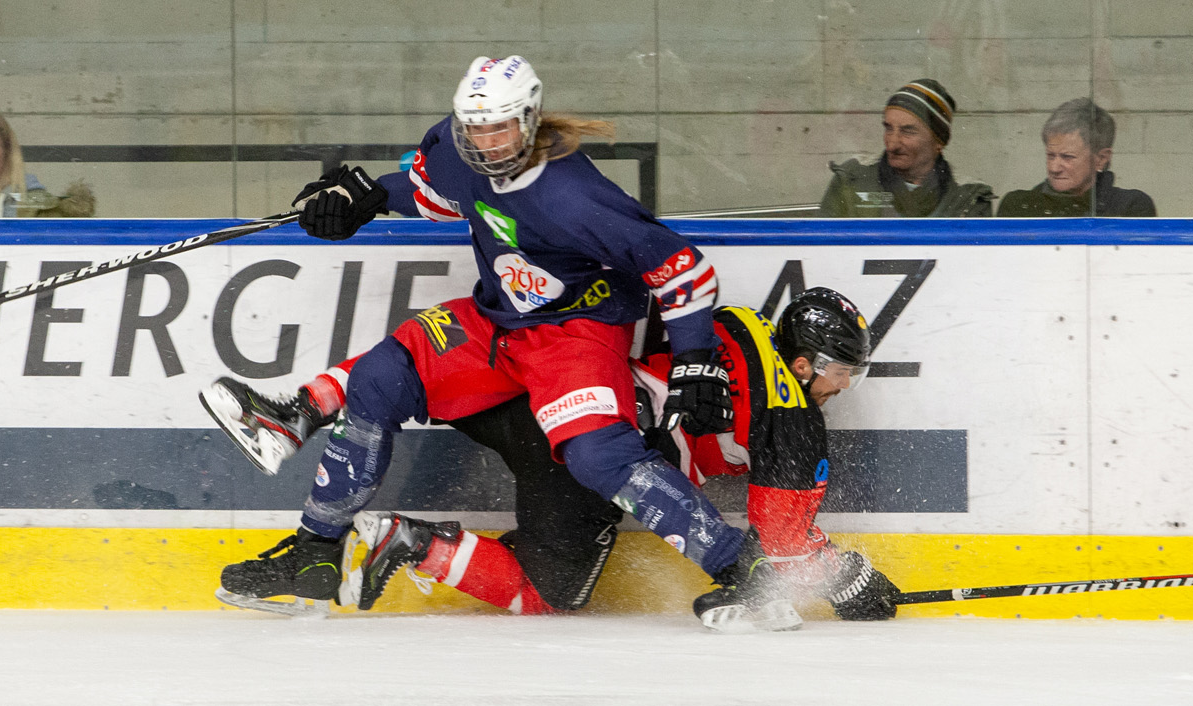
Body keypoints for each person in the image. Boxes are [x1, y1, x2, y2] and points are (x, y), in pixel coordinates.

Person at [212, 53, 806, 631]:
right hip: (498, 321)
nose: (487, 142)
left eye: (499, 128)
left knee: (600, 456)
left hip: (577, 332)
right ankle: (314, 553)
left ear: (528, 120)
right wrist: (363, 197)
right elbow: (432, 195)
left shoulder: (573, 196)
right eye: (476, 128)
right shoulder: (455, 150)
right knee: (379, 379)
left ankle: (741, 566)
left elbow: (682, 269)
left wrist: (696, 360)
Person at [206, 289, 901, 629]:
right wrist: (851, 579)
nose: (845, 387)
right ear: (807, 364)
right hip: (592, 459)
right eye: (844, 372)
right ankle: (410, 543)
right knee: (549, 593)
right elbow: (781, 545)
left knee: (413, 363)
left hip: (542, 391)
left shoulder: (738, 320)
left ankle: (305, 409)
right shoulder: (795, 422)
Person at [818, 79, 994, 218]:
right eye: (888, 128)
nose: (892, 144)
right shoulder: (852, 179)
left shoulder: (969, 197)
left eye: (908, 131)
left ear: (938, 142)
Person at [997, 98, 1156, 217]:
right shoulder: (1018, 206)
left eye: (1067, 157)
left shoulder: (1130, 207)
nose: (1054, 168)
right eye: (1050, 156)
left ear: (1101, 158)